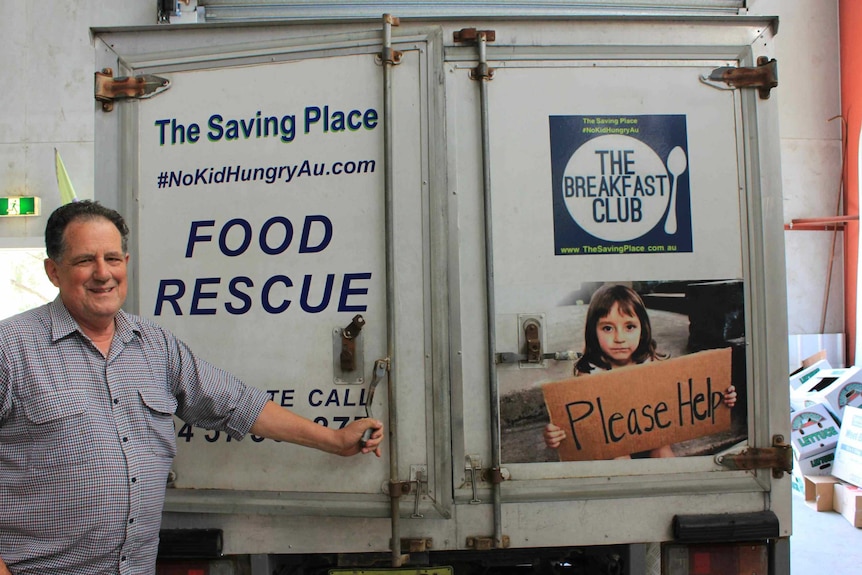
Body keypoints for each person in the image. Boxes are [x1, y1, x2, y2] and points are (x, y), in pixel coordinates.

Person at [0, 200, 384, 575]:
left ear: (126, 265)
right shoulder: (11, 349)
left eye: (113, 259)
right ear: (53, 271)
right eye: (85, 261)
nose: (103, 273)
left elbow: (238, 405)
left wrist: (333, 440)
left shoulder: (153, 345)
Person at [543, 283, 736, 459]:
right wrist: (556, 433)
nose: (619, 338)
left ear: (642, 329)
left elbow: (688, 398)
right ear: (593, 332)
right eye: (608, 328)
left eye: (629, 327)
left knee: (663, 453)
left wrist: (721, 398)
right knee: (619, 458)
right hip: (614, 445)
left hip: (652, 437)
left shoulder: (651, 363)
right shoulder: (588, 372)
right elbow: (576, 421)